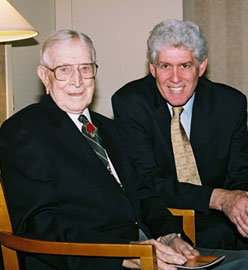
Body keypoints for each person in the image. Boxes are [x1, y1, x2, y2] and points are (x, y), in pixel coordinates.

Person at [0, 29, 248, 270]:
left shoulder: (107, 128)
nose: (77, 81)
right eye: (64, 70)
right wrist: (123, 252)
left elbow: (141, 192)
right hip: (95, 260)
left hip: (149, 251)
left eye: (85, 68)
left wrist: (170, 235)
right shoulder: (24, 131)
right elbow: (39, 225)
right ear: (45, 76)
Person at [112, 19, 248, 250]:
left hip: (221, 217)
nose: (175, 78)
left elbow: (240, 174)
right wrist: (219, 199)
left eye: (185, 65)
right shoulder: (131, 103)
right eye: (165, 66)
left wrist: (240, 204)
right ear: (152, 68)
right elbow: (147, 181)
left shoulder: (230, 104)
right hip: (162, 216)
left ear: (201, 66)